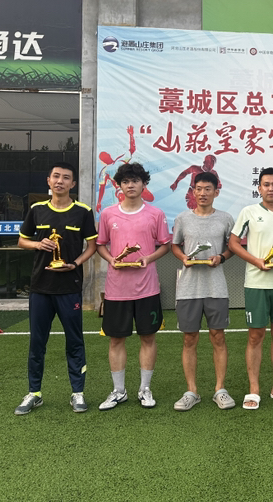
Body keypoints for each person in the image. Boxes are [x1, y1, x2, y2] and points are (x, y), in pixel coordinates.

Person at [14, 162, 97, 415]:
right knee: (37, 342)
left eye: (66, 178)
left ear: (73, 184)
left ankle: (77, 392)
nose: (60, 181)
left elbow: (92, 246)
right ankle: (34, 393)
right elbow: (22, 241)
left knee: (75, 341)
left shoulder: (83, 211)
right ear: (48, 180)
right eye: (56, 176)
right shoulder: (37, 209)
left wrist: (75, 264)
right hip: (40, 287)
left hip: (69, 287)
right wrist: (38, 245)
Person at [95, 163, 171, 410]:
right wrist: (111, 260)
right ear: (119, 186)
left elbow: (165, 245)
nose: (130, 185)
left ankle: (144, 389)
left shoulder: (155, 214)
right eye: (125, 181)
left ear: (143, 184)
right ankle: (119, 391)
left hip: (147, 288)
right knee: (116, 339)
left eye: (135, 181)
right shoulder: (108, 214)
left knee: (148, 337)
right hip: (117, 290)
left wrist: (149, 258)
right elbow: (100, 245)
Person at [229, 167, 273, 409]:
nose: (271, 188)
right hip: (256, 283)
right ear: (259, 188)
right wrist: (256, 261)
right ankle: (254, 389)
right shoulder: (248, 212)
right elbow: (233, 243)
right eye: (266, 184)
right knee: (255, 335)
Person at [171, 171, 236, 411]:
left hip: (216, 287)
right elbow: (175, 246)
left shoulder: (226, 218)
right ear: (192, 191)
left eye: (207, 189)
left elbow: (232, 247)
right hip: (188, 288)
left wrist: (221, 257)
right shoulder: (182, 218)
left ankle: (220, 389)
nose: (202, 193)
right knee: (190, 338)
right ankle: (192, 391)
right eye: (198, 189)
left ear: (216, 192)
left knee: (218, 336)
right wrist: (183, 258)